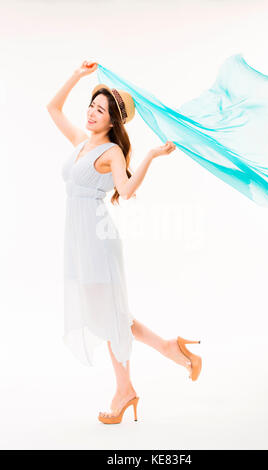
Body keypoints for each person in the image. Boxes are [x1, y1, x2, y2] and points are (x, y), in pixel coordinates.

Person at [46, 60, 202, 424]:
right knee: (110, 315)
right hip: (78, 240)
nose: (91, 112)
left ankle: (125, 389)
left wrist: (148, 156)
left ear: (113, 121)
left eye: (100, 110)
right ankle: (169, 350)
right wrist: (77, 76)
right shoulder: (81, 143)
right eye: (91, 105)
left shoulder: (112, 152)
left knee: (108, 317)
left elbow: (127, 191)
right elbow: (52, 108)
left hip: (97, 242)